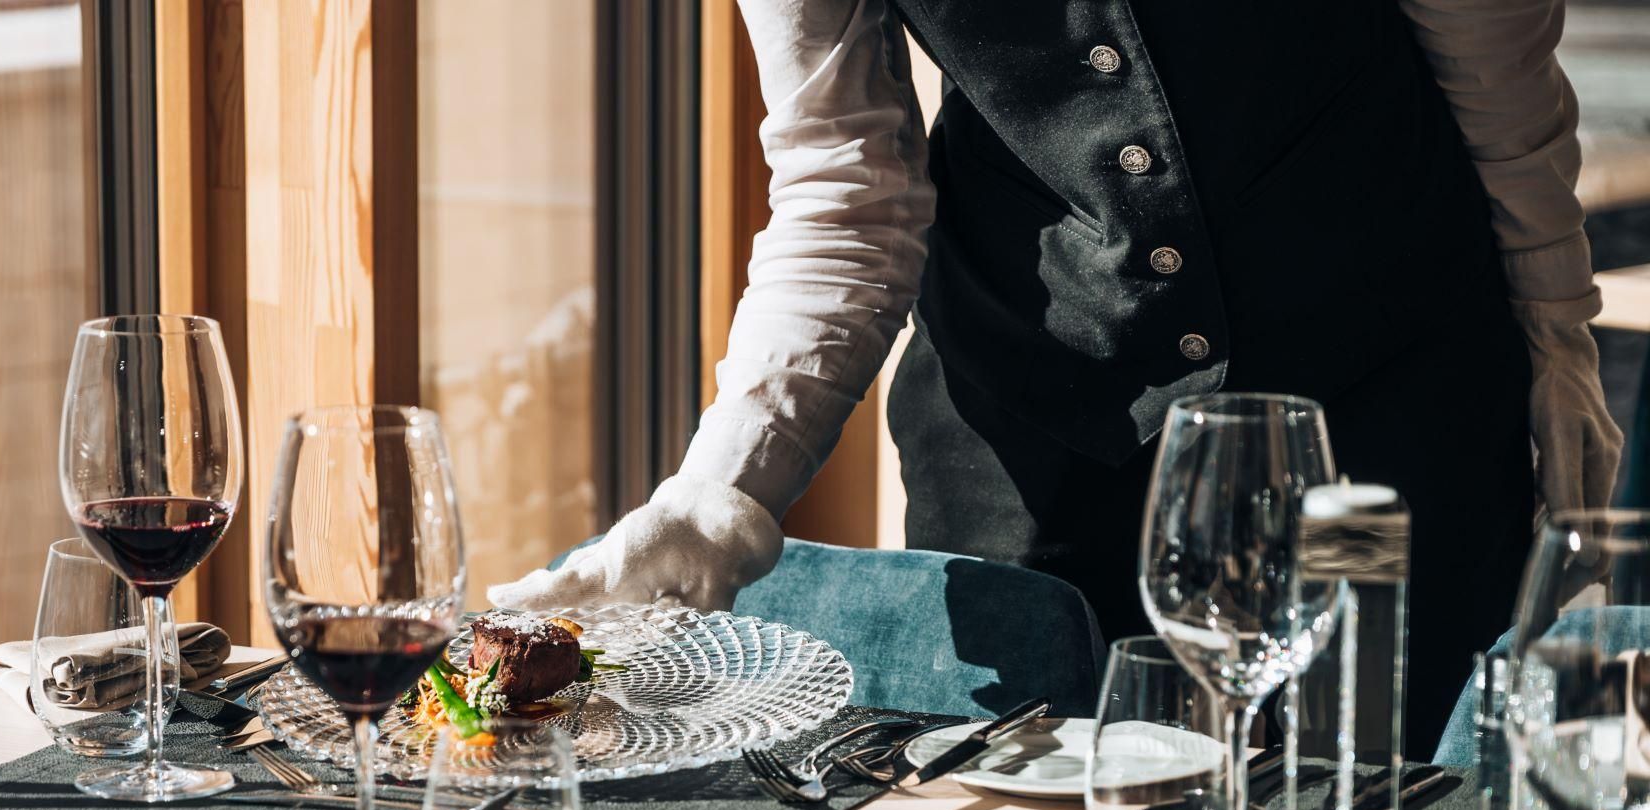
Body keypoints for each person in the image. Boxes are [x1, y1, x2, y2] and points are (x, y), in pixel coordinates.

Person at [492, 0, 1623, 736]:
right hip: (1026, 426)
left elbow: (1498, 92)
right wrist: (721, 487)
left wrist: (1554, 335)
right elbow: (846, 186)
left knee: (1355, 807)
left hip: (1361, 400)